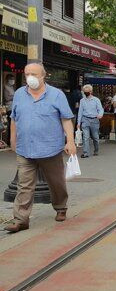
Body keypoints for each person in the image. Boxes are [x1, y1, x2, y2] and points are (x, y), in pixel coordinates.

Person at [3, 63, 76, 233]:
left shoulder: (56, 95)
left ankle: (60, 207)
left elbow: (66, 119)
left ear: (43, 76)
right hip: (25, 148)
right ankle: (21, 219)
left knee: (56, 182)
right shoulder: (20, 94)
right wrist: (13, 139)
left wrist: (70, 141)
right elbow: (14, 118)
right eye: (27, 74)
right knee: (24, 184)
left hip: (50, 148)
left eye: (34, 74)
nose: (30, 77)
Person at [77, 84, 103, 158]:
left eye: (87, 91)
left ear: (91, 91)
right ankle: (86, 153)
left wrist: (100, 115)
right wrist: (79, 123)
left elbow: (100, 109)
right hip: (85, 120)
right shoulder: (82, 101)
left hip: (94, 120)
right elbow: (80, 112)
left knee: (95, 137)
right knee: (85, 137)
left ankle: (96, 150)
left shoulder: (96, 100)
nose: (86, 93)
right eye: (84, 92)